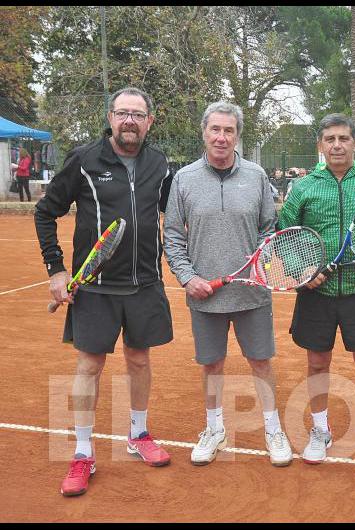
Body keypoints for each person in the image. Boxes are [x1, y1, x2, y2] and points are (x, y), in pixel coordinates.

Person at [34, 87, 174, 497]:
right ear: (110, 117)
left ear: (150, 121)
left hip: (145, 283)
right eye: (122, 113)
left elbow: (177, 211)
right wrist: (57, 270)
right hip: (95, 287)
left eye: (137, 114)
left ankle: (138, 433)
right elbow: (46, 212)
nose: (129, 120)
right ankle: (82, 453)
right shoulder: (84, 160)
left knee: (139, 359)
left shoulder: (159, 163)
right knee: (89, 367)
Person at [163, 101, 292, 467]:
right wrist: (188, 278)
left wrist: (262, 262)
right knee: (212, 364)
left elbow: (270, 228)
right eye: (215, 130)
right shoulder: (184, 180)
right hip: (205, 295)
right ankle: (214, 428)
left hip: (252, 293)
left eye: (229, 131)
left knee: (260, 361)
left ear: (237, 136)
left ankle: (272, 429)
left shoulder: (256, 177)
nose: (221, 137)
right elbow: (172, 235)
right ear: (204, 133)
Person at [277, 113, 355, 465]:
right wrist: (302, 271)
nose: (337, 145)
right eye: (330, 139)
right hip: (317, 293)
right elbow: (286, 237)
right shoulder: (304, 187)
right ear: (321, 145)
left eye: (343, 138)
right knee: (316, 363)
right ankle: (320, 430)